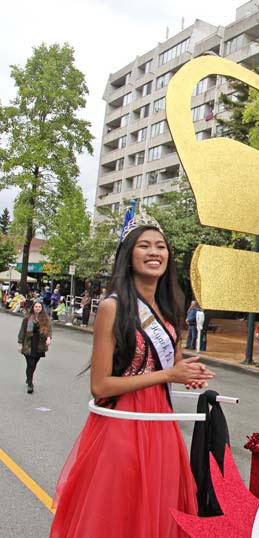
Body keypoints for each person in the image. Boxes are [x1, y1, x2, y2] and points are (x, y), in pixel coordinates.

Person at [50, 214, 214, 537]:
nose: (155, 253)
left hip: (161, 429)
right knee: (120, 515)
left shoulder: (170, 310)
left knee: (158, 513)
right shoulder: (112, 307)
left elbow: (169, 367)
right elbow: (100, 386)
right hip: (121, 428)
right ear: (129, 254)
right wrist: (168, 375)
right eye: (144, 246)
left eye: (160, 246)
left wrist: (187, 374)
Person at [17, 300, 52, 394]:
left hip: (39, 344)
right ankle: (30, 384)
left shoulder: (45, 319)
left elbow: (49, 330)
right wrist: (20, 344)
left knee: (34, 363)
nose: (37, 308)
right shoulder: (27, 319)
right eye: (36, 306)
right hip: (28, 343)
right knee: (30, 363)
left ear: (42, 308)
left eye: (39, 307)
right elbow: (22, 332)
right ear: (33, 307)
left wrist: (49, 338)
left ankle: (29, 377)